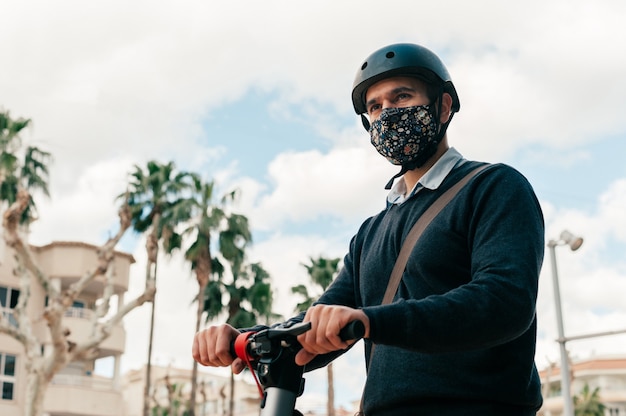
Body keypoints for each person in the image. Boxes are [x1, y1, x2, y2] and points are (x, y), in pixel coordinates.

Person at [192, 43, 544, 415]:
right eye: (375, 107)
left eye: (402, 96)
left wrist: (370, 320)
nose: (387, 114)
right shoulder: (371, 232)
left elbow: (505, 301)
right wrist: (249, 338)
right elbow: (321, 321)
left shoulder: (493, 187)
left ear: (442, 106)